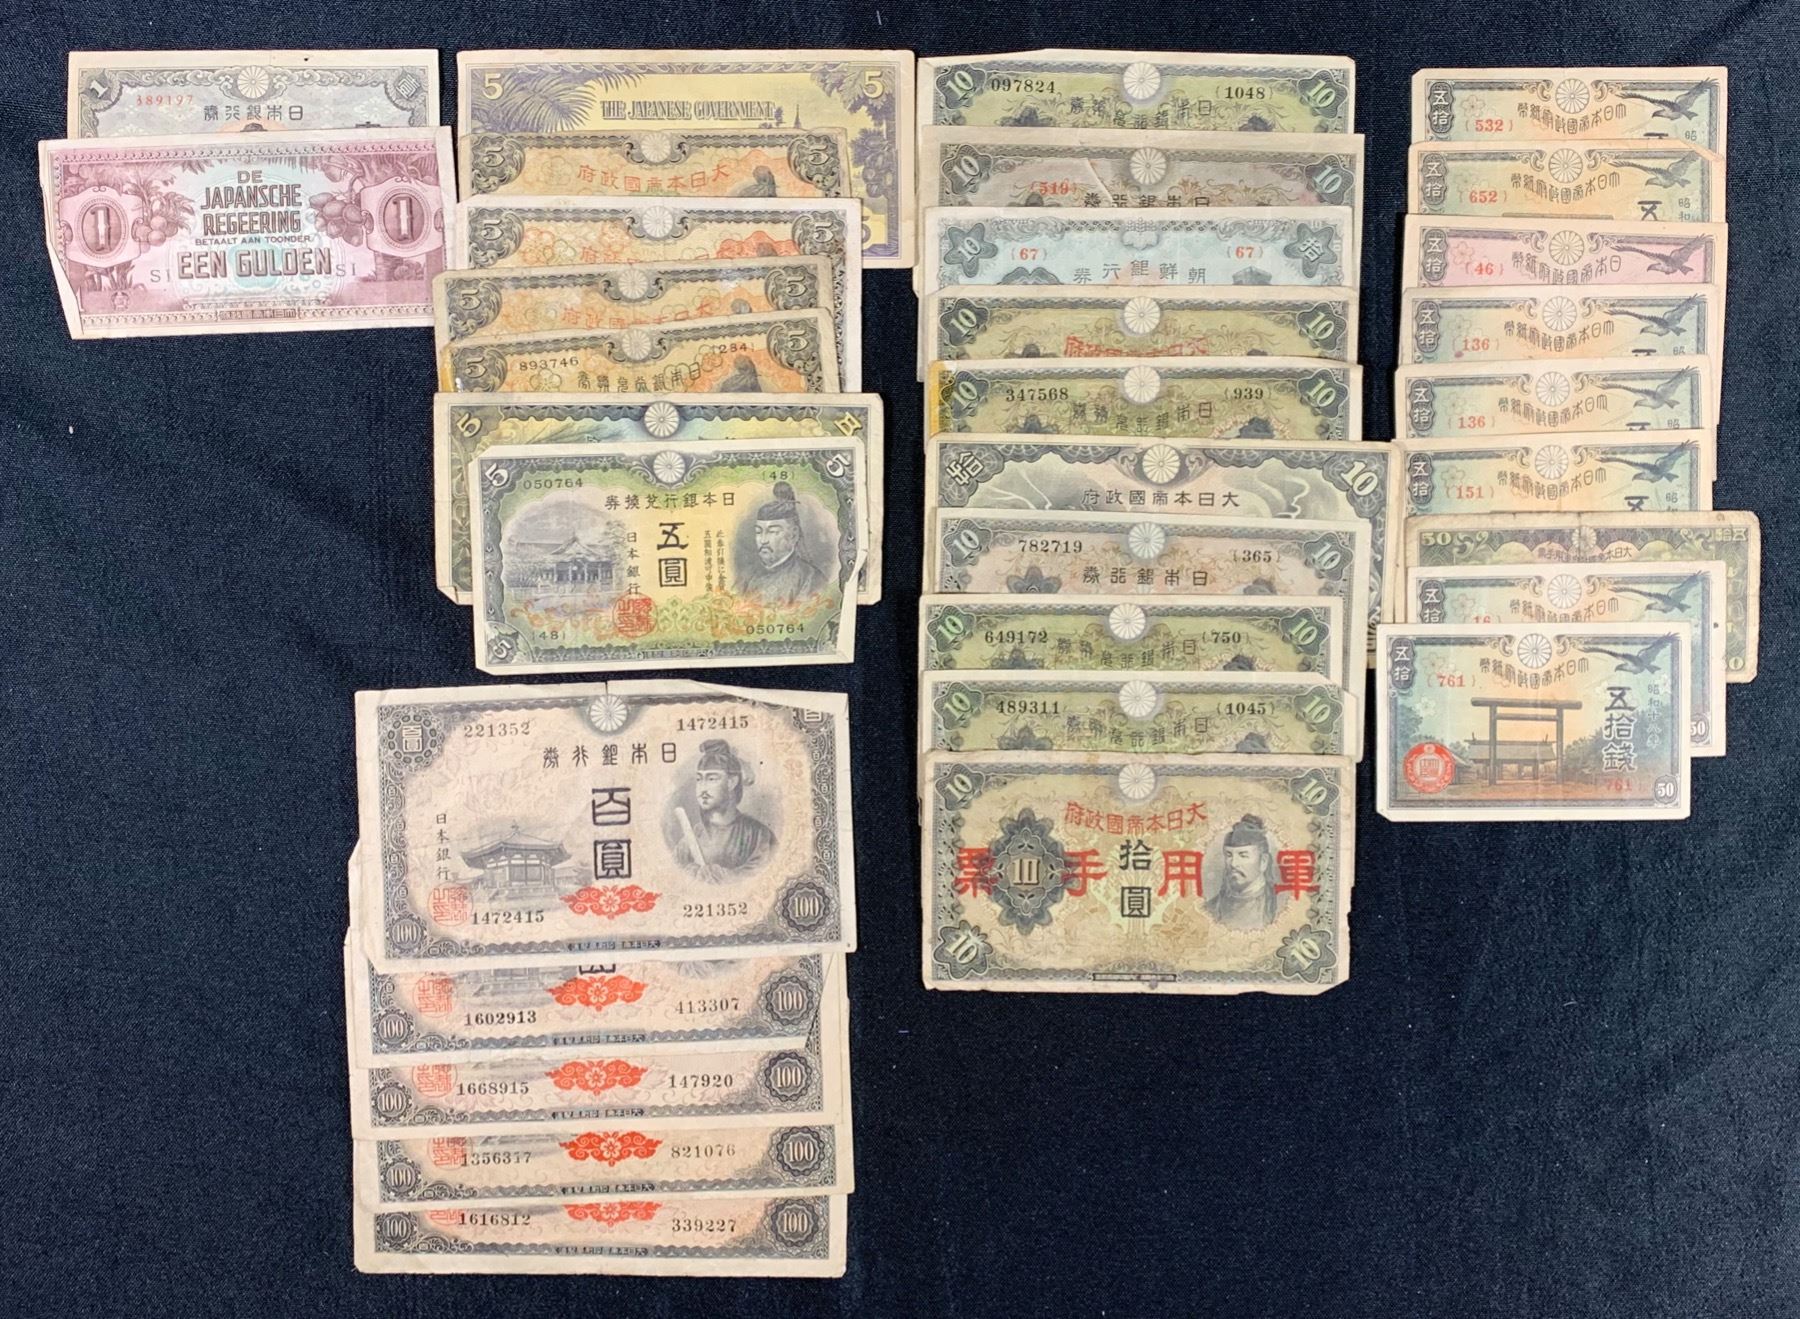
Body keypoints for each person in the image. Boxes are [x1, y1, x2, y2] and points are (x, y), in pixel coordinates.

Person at [671, 740, 776, 877]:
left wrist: (713, 875)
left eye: (712, 779)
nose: (702, 788)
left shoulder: (759, 836)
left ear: (732, 782)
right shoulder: (693, 836)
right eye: (699, 779)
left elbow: (759, 876)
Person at [738, 481, 827, 604]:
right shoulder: (747, 577)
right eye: (759, 532)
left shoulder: (811, 579)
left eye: (773, 532)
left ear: (793, 535)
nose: (763, 540)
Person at [1205, 814, 1279, 930]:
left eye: (1243, 855)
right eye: (1229, 855)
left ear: (1263, 861)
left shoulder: (1278, 907)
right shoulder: (1211, 909)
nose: (1233, 864)